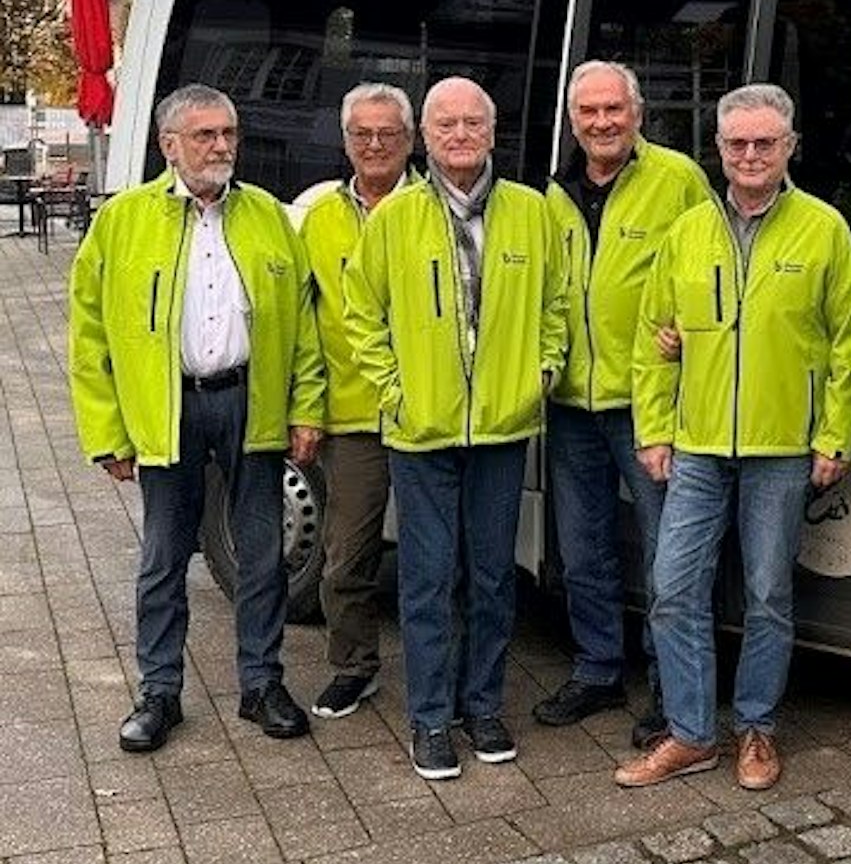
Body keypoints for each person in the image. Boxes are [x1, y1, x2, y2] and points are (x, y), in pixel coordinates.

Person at [613, 83, 851, 791]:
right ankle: (690, 734)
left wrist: (832, 436)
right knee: (672, 588)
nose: (751, 156)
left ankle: (756, 727)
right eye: (737, 143)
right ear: (718, 150)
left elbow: (849, 343)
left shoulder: (823, 228)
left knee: (767, 595)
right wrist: (653, 429)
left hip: (781, 451)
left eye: (765, 143)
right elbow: (651, 339)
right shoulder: (687, 232)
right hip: (695, 446)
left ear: (789, 148)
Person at [69, 83, 326, 753]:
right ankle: (159, 691)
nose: (221, 147)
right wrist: (106, 434)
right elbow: (89, 335)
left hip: (251, 401)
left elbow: (304, 323)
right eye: (206, 135)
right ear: (170, 145)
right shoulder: (123, 220)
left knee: (262, 553)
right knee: (162, 558)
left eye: (229, 134)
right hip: (167, 406)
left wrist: (305, 409)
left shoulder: (269, 216)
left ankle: (262, 684)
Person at [344, 76, 566, 780]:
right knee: (428, 581)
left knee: (495, 579)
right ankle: (431, 719)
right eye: (446, 125)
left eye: (473, 122)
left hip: (503, 430)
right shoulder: (394, 217)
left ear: (493, 131)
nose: (461, 135)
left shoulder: (532, 212)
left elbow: (557, 303)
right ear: (427, 138)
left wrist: (545, 372)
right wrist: (395, 392)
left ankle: (484, 706)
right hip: (423, 434)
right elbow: (362, 316)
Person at [538, 61, 711, 743]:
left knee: (667, 557)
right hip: (571, 402)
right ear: (574, 120)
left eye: (614, 109)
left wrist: (691, 335)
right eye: (589, 112)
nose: (602, 122)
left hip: (649, 403)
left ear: (637, 114)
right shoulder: (552, 194)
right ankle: (597, 669)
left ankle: (672, 692)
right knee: (582, 551)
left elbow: (715, 263)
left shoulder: (677, 180)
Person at [301, 83, 417, 720]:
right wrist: (307, 408)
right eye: (362, 134)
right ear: (346, 141)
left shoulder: (435, 209)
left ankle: (440, 671)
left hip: (428, 415)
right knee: (346, 555)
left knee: (437, 559)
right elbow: (305, 324)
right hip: (351, 416)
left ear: (410, 140)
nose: (375, 145)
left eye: (388, 134)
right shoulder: (321, 219)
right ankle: (354, 666)